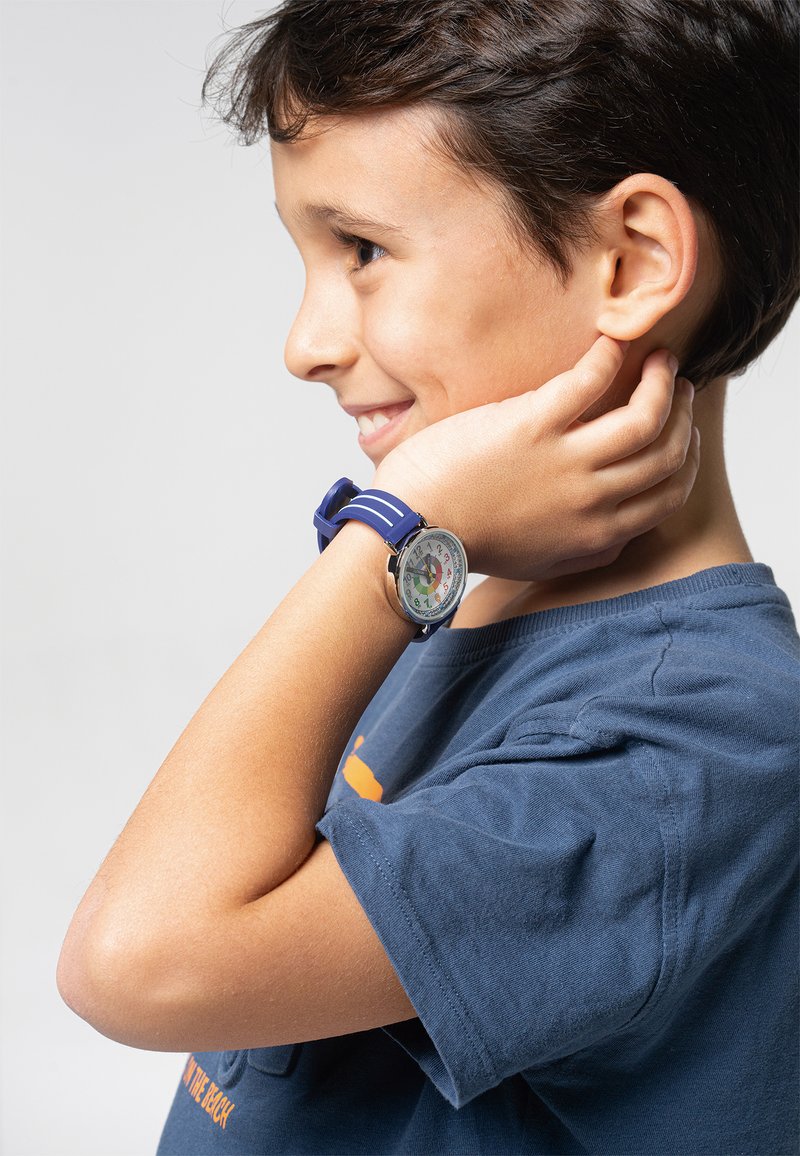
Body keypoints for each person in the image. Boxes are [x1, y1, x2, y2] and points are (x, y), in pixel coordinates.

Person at [57, 1, 799, 1153]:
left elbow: (135, 963)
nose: (303, 344)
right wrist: (418, 552)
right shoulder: (476, 601)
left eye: (360, 249)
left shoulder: (689, 745)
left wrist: (400, 538)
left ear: (633, 260)